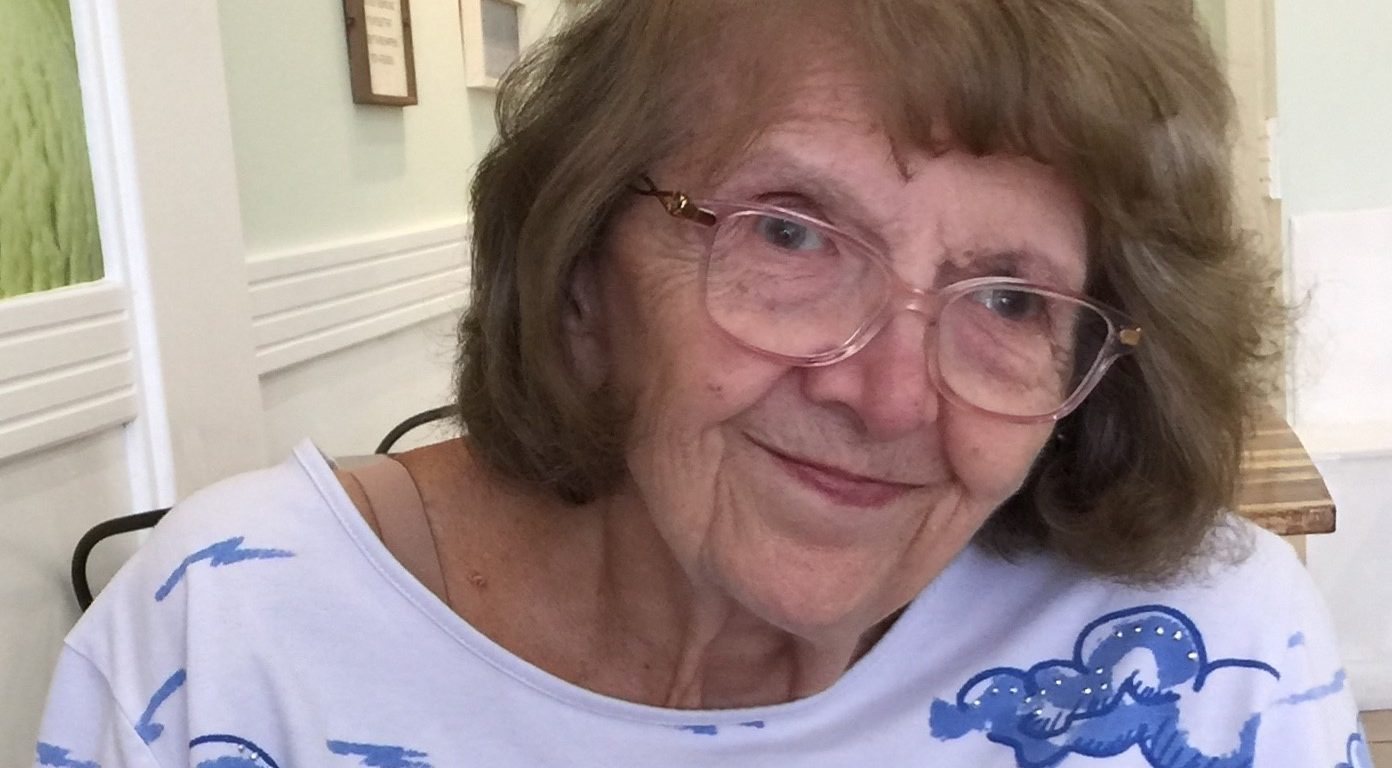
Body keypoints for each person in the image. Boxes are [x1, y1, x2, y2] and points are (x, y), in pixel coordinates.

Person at [35, 1, 1372, 766]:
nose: (890, 396)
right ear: (581, 272)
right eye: (791, 233)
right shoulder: (232, 642)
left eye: (1013, 299)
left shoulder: (1218, 657)